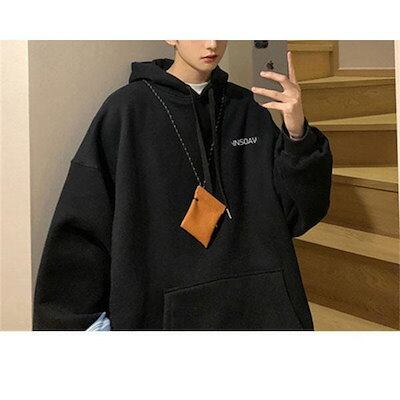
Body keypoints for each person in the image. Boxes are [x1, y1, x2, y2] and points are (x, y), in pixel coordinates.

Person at [32, 40, 333, 331]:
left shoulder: (247, 109)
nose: (212, 43)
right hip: (167, 319)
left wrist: (297, 134)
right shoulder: (127, 112)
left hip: (263, 313)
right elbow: (84, 225)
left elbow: (297, 214)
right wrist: (75, 322)